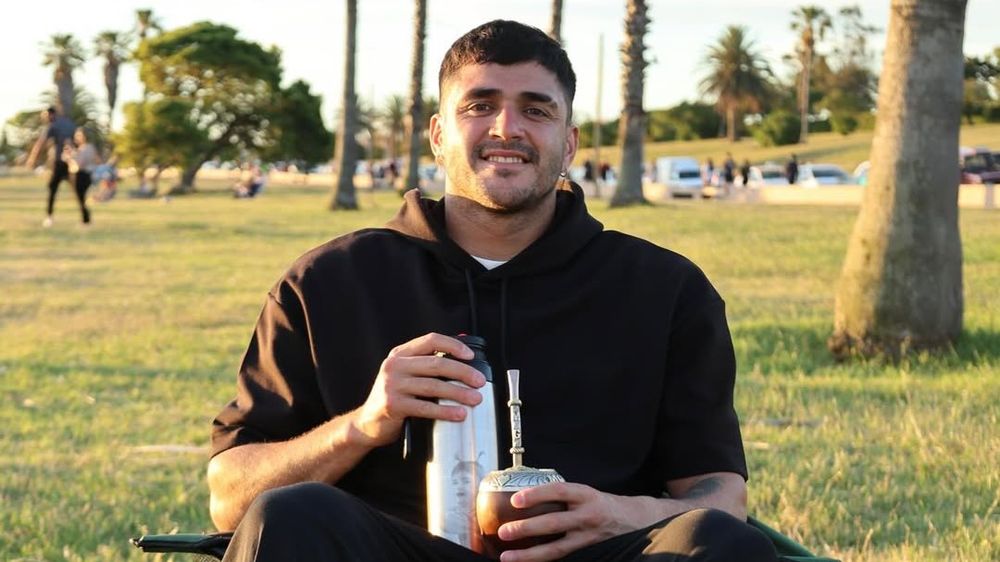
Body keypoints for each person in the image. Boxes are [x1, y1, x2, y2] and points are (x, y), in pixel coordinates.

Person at [209, 20, 777, 562]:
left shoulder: (664, 289)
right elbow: (231, 499)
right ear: (438, 135)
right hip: (394, 550)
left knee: (718, 541)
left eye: (536, 109)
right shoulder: (328, 283)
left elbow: (721, 498)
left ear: (570, 142)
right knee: (291, 514)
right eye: (480, 106)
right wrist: (361, 426)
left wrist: (616, 514)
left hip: (594, 554)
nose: (507, 128)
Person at [25, 106, 79, 227]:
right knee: (77, 190)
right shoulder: (69, 123)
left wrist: (32, 159)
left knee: (52, 189)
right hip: (72, 163)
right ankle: (85, 219)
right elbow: (77, 141)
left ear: (51, 115)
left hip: (59, 163)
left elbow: (40, 143)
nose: (44, 118)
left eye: (45, 116)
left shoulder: (52, 126)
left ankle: (49, 217)